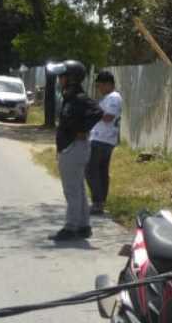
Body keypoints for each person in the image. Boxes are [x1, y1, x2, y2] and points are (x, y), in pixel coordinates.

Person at [48, 60, 97, 241]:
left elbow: (97, 112)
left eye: (62, 76)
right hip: (70, 148)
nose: (59, 79)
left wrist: (82, 130)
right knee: (78, 188)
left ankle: (71, 227)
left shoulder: (79, 98)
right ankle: (84, 226)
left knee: (71, 190)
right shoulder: (70, 96)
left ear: (72, 78)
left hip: (73, 149)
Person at [86, 70, 121, 215]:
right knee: (101, 171)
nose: (98, 89)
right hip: (104, 138)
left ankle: (98, 202)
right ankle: (100, 202)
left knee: (90, 170)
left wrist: (94, 111)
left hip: (102, 139)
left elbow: (108, 117)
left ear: (108, 85)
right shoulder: (108, 97)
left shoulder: (113, 98)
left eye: (100, 86)